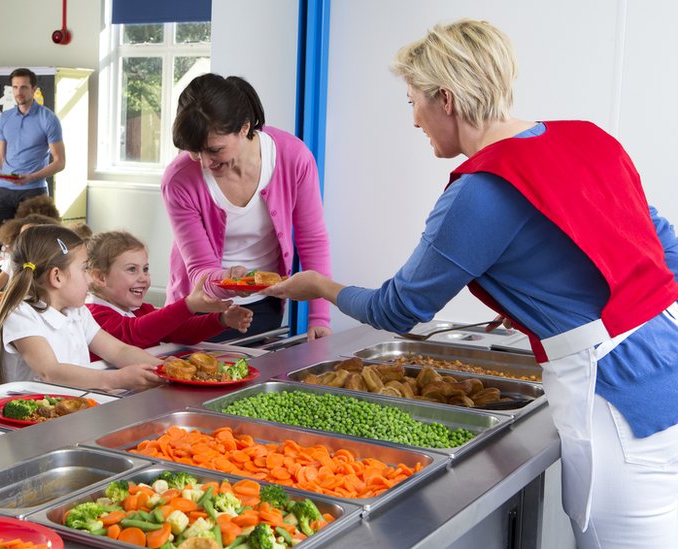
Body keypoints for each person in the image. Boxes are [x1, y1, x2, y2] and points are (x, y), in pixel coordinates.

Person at [262, 19, 678, 548]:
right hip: (668, 368)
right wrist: (548, 297)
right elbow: (665, 254)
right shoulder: (590, 138)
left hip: (616, 402)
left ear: (447, 99)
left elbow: (398, 309)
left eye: (413, 101)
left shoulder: (481, 190)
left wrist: (321, 286)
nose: (413, 119)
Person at [162, 73, 332, 342]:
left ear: (244, 128)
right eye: (195, 151)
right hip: (199, 312)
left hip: (264, 307)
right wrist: (228, 283)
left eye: (214, 150)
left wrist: (319, 317)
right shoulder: (179, 179)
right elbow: (199, 269)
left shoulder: (293, 157)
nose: (204, 163)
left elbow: (312, 240)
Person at [0, 224, 162, 392]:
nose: (90, 279)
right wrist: (116, 379)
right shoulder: (22, 314)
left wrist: (164, 368)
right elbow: (49, 372)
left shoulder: (77, 312)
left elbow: (118, 351)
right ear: (57, 277)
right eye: (84, 269)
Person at [85, 230, 253, 360]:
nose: (143, 278)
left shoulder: (141, 309)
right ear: (100, 278)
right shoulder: (93, 314)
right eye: (132, 269)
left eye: (145, 269)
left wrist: (221, 320)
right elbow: (135, 333)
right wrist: (188, 305)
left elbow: (180, 332)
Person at [0, 68, 65, 256]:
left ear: (34, 89)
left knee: (32, 249)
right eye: (15, 87)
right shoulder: (5, 118)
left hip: (33, 192)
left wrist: (31, 177)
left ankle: (27, 286)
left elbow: (60, 162)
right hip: (3, 191)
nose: (19, 92)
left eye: (24, 87)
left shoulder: (48, 119)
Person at [0, 214, 60, 294]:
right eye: (22, 236)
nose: (25, 240)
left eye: (31, 236)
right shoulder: (12, 260)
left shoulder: (50, 264)